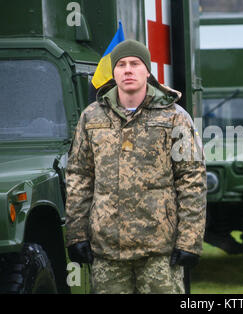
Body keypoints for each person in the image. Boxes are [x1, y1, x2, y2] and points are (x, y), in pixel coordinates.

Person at [65, 39, 207, 294]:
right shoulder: (92, 117)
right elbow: (79, 177)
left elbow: (192, 179)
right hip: (107, 250)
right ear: (114, 72)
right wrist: (76, 235)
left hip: (159, 251)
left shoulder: (174, 116)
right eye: (121, 64)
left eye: (135, 63)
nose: (128, 70)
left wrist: (190, 241)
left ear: (147, 71)